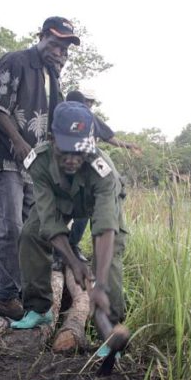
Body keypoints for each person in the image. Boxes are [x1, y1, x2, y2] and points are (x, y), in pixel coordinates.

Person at [0, 16, 80, 321]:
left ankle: (30, 295)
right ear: (40, 36)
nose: (59, 52)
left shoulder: (53, 77)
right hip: (9, 158)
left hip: (36, 167)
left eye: (65, 48)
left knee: (31, 231)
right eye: (55, 43)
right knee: (10, 226)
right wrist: (18, 142)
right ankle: (6, 296)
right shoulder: (16, 61)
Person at [13, 101, 127, 333]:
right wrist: (73, 263)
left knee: (109, 254)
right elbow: (49, 221)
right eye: (66, 150)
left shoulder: (103, 170)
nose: (73, 159)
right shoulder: (39, 162)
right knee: (30, 234)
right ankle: (39, 308)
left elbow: (105, 228)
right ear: (51, 138)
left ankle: (111, 327)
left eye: (80, 151)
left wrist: (100, 283)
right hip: (59, 202)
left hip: (97, 203)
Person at [59, 89, 142, 267]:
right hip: (64, 169)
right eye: (87, 101)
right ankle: (63, 251)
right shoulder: (61, 114)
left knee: (94, 210)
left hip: (86, 168)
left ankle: (76, 248)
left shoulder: (90, 117)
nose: (89, 105)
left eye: (91, 102)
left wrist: (128, 145)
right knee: (66, 211)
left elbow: (108, 136)